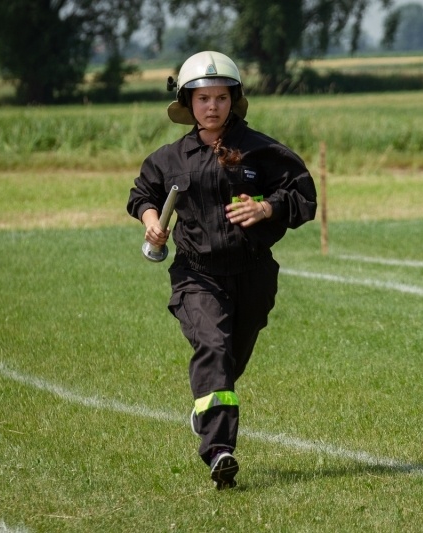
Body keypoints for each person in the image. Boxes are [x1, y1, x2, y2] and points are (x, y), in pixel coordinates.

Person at [127, 51, 317, 489]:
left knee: (229, 361)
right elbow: (143, 194)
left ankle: (206, 408)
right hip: (197, 274)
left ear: (234, 100)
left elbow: (303, 195)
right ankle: (219, 450)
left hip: (253, 275)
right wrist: (153, 221)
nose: (212, 106)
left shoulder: (260, 150)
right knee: (212, 346)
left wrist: (267, 206)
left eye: (221, 98)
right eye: (202, 98)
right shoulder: (170, 158)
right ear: (187, 103)